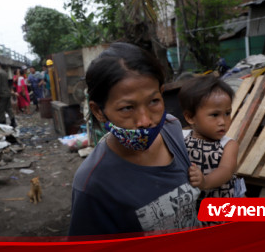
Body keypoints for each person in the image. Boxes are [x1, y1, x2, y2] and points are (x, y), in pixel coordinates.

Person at [68, 42, 200, 236]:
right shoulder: (92, 185)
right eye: (127, 108)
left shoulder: (171, 128)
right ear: (99, 111)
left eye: (154, 101)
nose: (145, 121)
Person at [178, 75, 243, 211]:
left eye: (227, 113)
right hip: (189, 205)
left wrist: (205, 181)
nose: (223, 121)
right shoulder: (181, 137)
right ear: (190, 117)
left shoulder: (228, 145)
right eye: (215, 115)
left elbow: (226, 170)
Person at [0, 61, 17, 127]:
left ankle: (3, 122)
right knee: (9, 108)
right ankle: (13, 122)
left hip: (2, 94)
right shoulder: (4, 72)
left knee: (1, 109)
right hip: (7, 93)